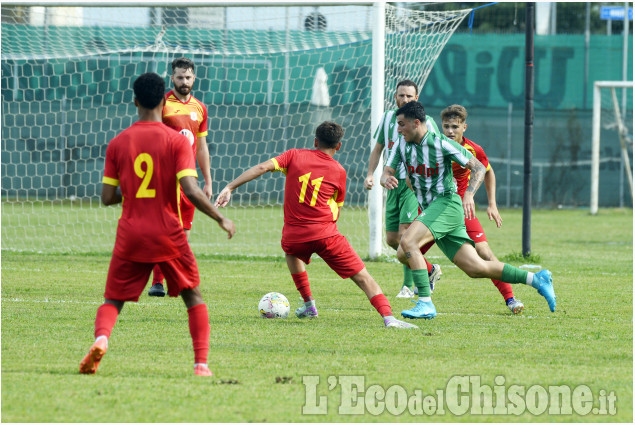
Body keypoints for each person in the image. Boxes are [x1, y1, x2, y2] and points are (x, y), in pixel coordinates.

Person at [79, 72, 236, 377]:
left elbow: (107, 198)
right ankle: (201, 365)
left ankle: (101, 340)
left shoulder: (118, 143)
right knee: (193, 296)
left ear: (135, 101)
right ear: (164, 99)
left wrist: (132, 188)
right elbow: (190, 190)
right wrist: (220, 217)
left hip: (131, 233)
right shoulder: (177, 142)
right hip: (168, 232)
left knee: (113, 298)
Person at [215, 121, 417, 329]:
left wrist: (230, 187)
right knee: (362, 276)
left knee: (291, 252)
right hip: (326, 235)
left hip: (294, 236)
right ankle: (389, 318)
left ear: (315, 141)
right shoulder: (339, 171)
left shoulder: (293, 155)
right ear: (339, 146)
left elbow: (261, 167)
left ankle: (309, 303)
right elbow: (336, 210)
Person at [380, 101, 556, 319]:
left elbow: (480, 168)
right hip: (432, 209)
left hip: (446, 204)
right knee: (475, 268)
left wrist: (470, 195)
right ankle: (535, 279)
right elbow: (388, 170)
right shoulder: (401, 144)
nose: (398, 129)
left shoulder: (441, 143)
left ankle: (425, 302)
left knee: (407, 242)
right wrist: (386, 178)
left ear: (416, 123)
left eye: (401, 124)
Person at [423, 104, 525, 314]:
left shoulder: (473, 150)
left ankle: (511, 298)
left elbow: (488, 172)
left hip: (460, 209)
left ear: (464, 127)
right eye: (446, 126)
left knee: (484, 252)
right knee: (403, 248)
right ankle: (430, 272)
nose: (450, 131)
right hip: (433, 208)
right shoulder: (433, 146)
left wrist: (492, 204)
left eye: (454, 127)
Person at [363, 80, 442, 299]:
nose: (404, 99)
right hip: (392, 184)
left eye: (409, 96)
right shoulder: (389, 118)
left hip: (412, 184)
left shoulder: (427, 123)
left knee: (405, 235)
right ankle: (428, 269)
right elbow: (378, 148)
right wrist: (372, 174)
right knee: (391, 239)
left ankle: (408, 286)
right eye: (401, 95)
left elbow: (436, 150)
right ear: (395, 97)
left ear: (416, 98)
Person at [149, 57, 213, 297]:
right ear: (172, 78)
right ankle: (158, 282)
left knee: (183, 233)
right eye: (179, 77)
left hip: (189, 179)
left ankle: (173, 280)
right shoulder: (162, 103)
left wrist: (207, 180)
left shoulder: (200, 108)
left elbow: (202, 147)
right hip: (165, 176)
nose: (184, 81)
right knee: (163, 230)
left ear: (194, 78)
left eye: (188, 77)